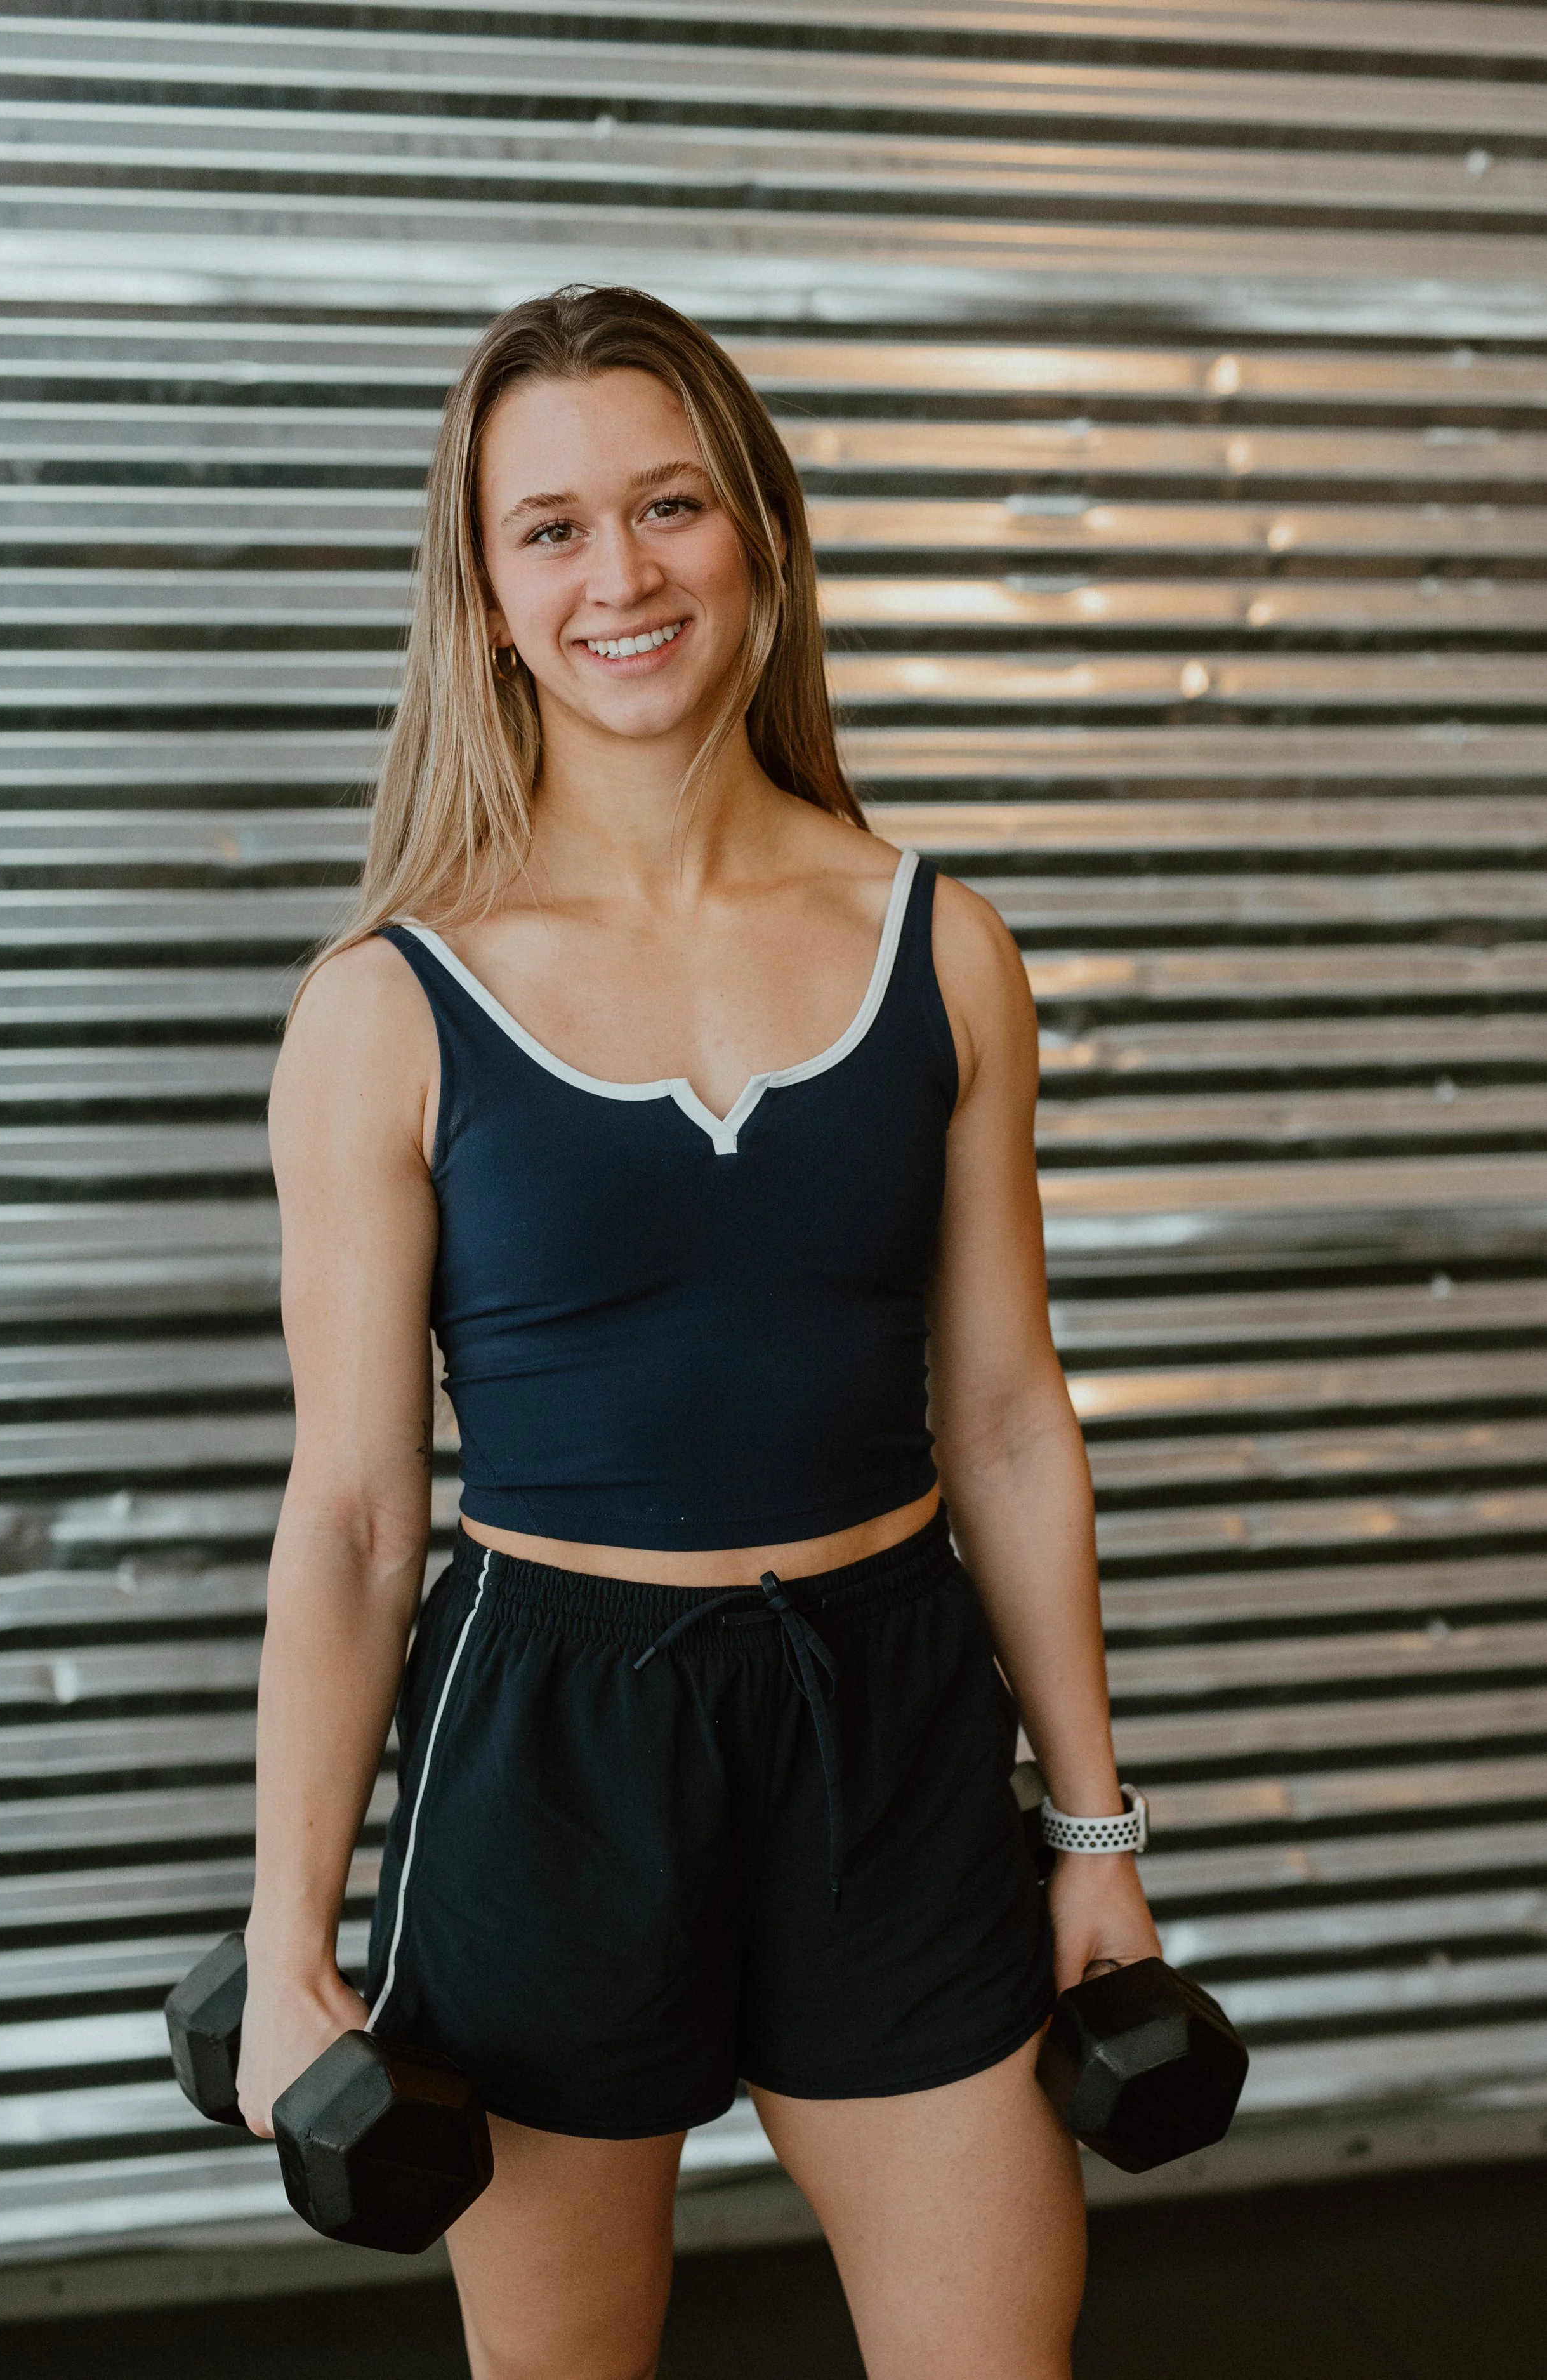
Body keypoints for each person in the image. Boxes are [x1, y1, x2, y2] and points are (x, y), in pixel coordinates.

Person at [237, 284, 1160, 2380]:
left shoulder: (941, 946)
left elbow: (1009, 1424)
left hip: (894, 1730)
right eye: (547, 528)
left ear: (756, 532)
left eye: (666, 505)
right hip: (555, 1749)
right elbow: (365, 1512)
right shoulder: (388, 1004)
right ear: (481, 594)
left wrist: (1093, 1835)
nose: (619, 574)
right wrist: (292, 1935)